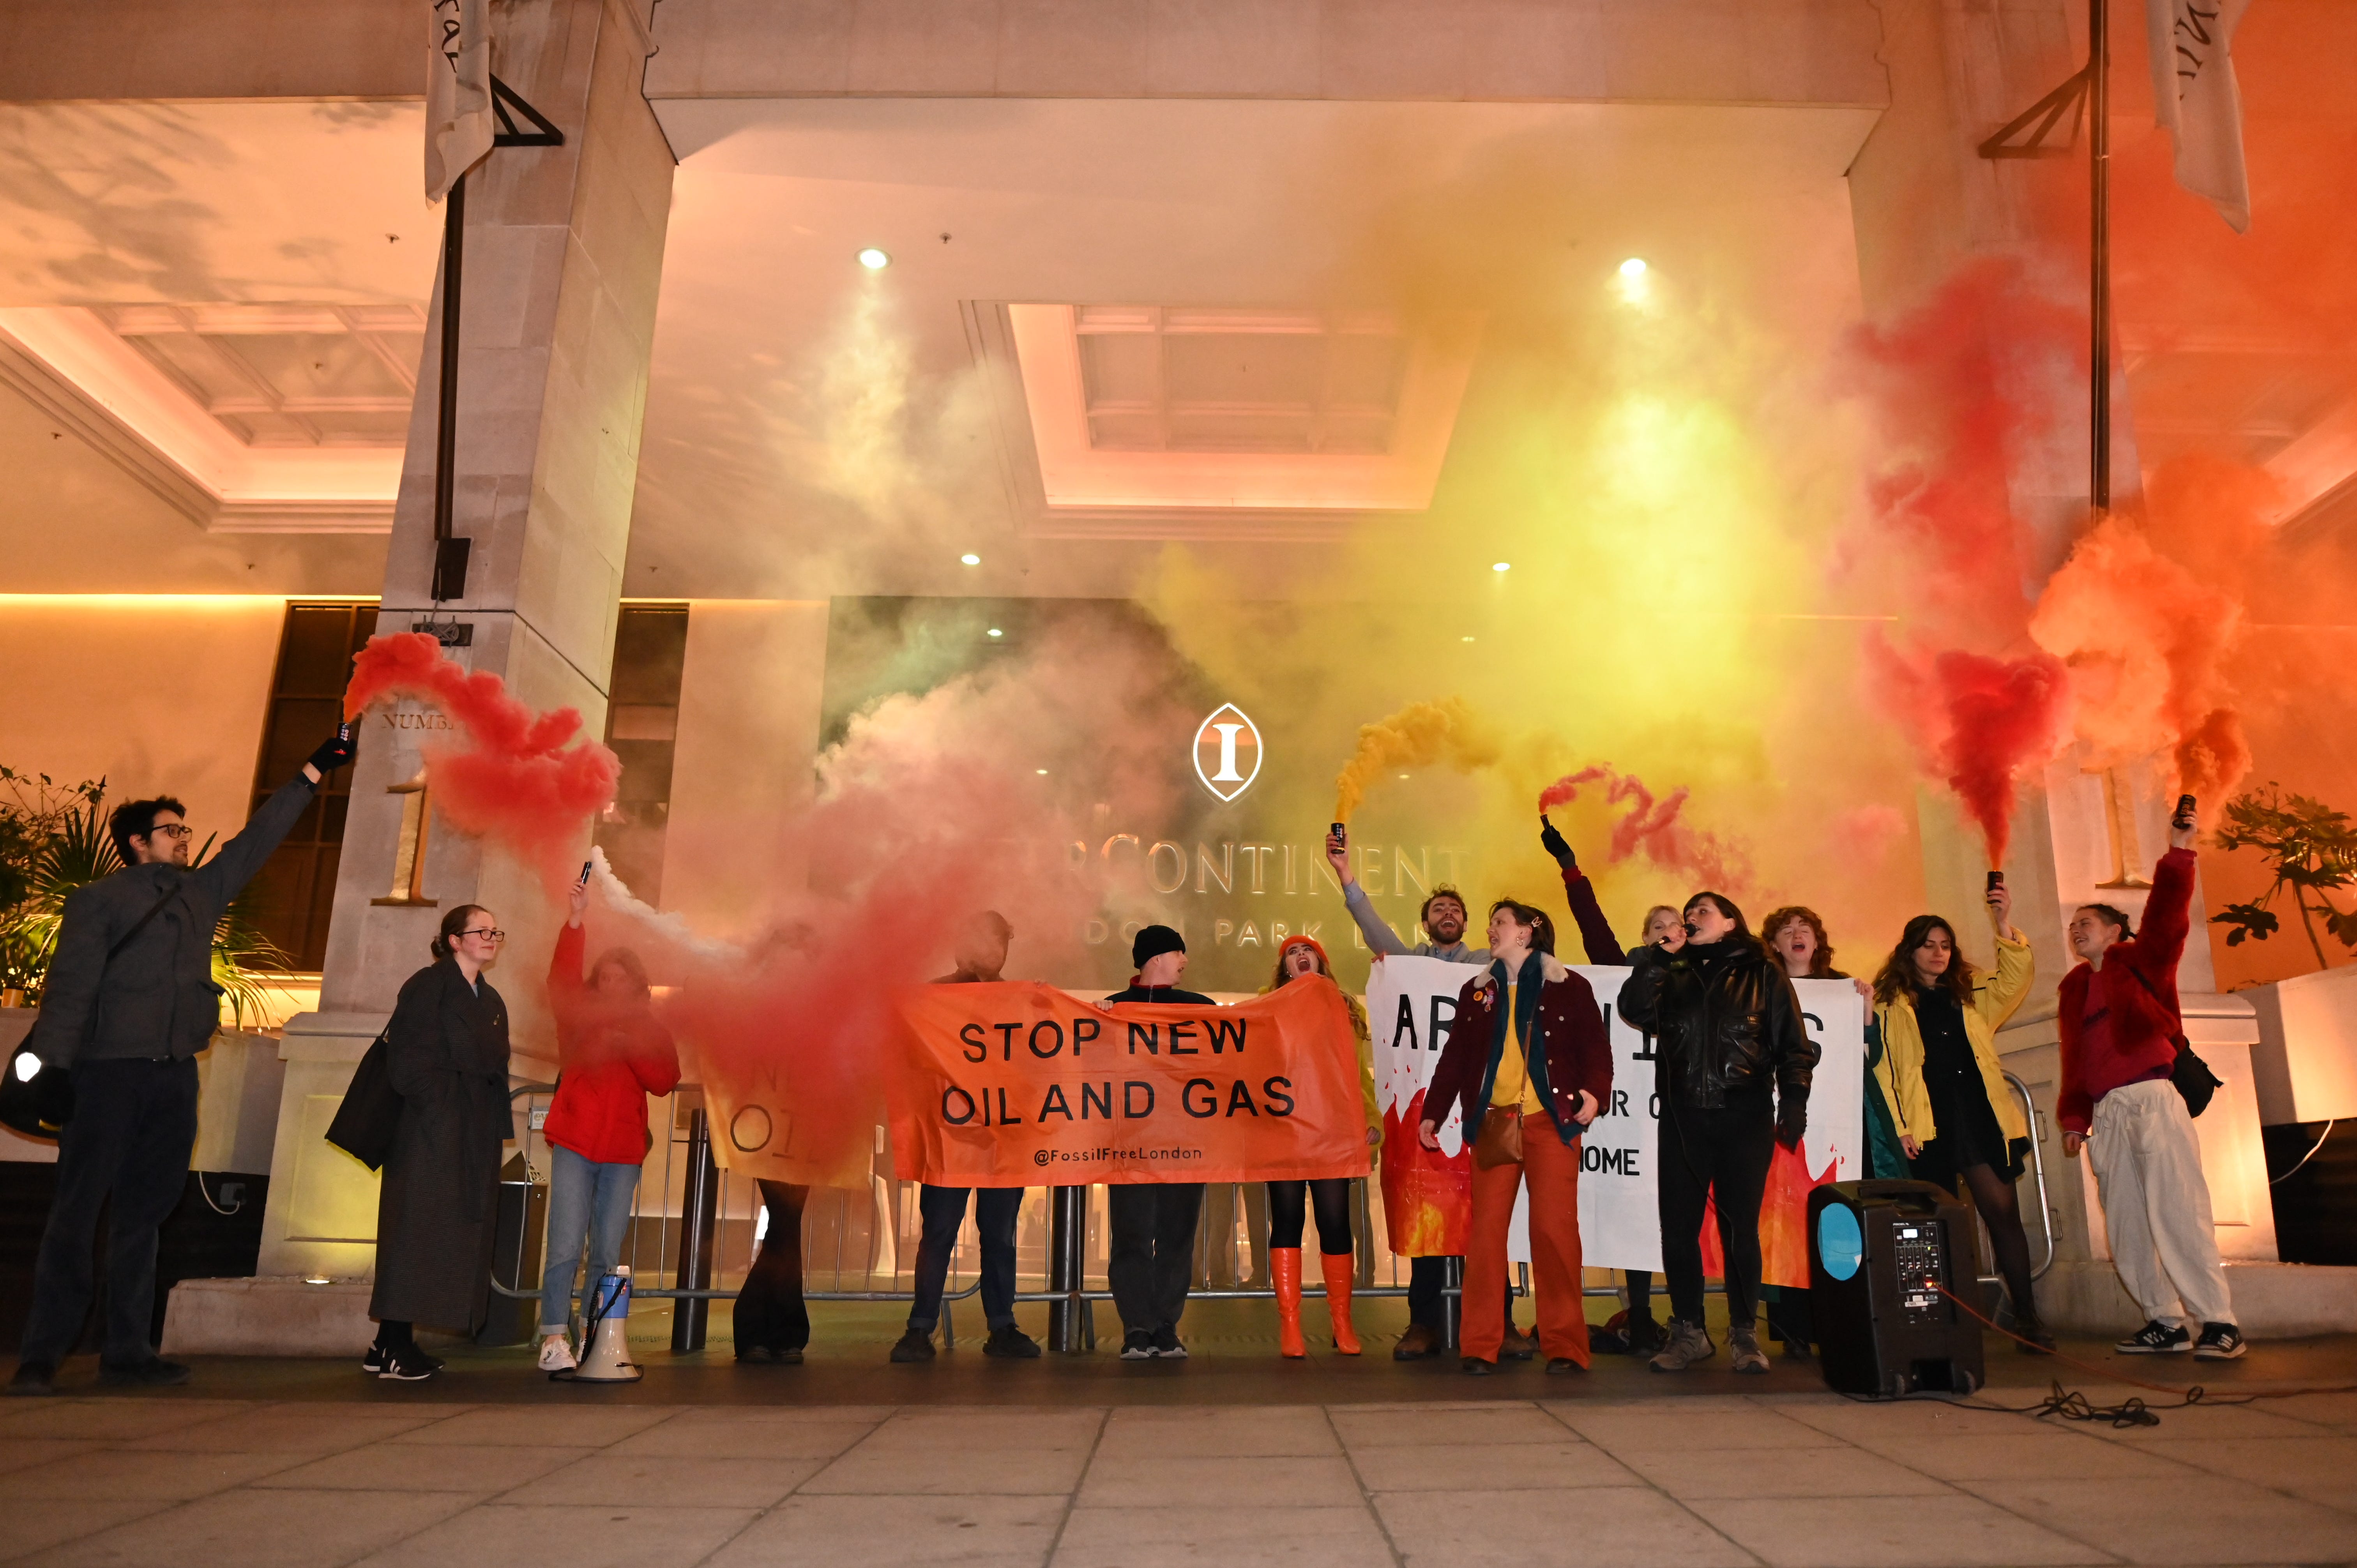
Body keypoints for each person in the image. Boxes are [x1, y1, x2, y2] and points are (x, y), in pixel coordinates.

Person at [7, 728, 355, 1398]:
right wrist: (51, 1066)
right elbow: (71, 990)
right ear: (139, 841)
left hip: (172, 1076)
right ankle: (41, 1356)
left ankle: (127, 1352)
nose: (185, 838)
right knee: (76, 1214)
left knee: (145, 1215)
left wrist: (313, 772)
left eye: (186, 830)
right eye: (173, 830)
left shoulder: (201, 892)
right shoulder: (99, 901)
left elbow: (255, 839)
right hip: (106, 1074)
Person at [1330, 832, 1537, 1362]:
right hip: (1426, 1109)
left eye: (1456, 910)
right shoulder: (1410, 963)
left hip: (1483, 1106)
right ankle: (1422, 1322)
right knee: (1426, 1214)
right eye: (1438, 909)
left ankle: (1499, 1322)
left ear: (1468, 925)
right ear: (1425, 925)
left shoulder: (1490, 964)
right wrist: (1347, 878)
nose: (1448, 914)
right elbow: (1376, 932)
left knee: (1489, 1218)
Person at [2060, 812, 2244, 1361]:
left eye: (2086, 921)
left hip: (2153, 1099)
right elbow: (2076, 1062)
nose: (2076, 929)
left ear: (2115, 932)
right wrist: (2076, 1120)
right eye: (2073, 925)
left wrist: (2179, 852)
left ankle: (2219, 1321)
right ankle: (2164, 1321)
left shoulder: (2140, 962)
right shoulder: (2074, 987)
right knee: (2127, 1223)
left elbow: (2167, 920)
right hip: (2108, 1114)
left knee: (2178, 1210)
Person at [1617, 891, 1816, 1375]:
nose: (1691, 917)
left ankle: (1744, 1333)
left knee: (1739, 1228)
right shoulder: (1672, 971)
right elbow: (1633, 1009)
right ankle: (1689, 1331)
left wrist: (1794, 1101)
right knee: (1678, 1229)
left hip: (1743, 1117)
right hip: (1683, 1118)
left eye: (1703, 910)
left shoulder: (1763, 973)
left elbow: (1794, 1045)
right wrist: (1656, 959)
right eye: (1688, 912)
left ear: (1730, 922)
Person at [1419, 901, 1612, 1376]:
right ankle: (1479, 1345)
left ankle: (1564, 1345)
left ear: (1527, 932)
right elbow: (1455, 1057)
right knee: (1486, 1235)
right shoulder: (1477, 992)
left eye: (1501, 922)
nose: (1491, 929)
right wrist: (1433, 1113)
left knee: (1554, 1232)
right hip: (1494, 1122)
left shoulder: (1569, 986)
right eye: (1491, 923)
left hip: (1551, 1123)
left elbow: (1596, 1046)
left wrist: (1595, 1093)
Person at [1868, 886, 2048, 1351]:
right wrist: (1900, 1127)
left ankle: (2027, 1318)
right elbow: (1885, 1073)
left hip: (1978, 1117)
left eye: (1946, 945)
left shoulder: (1971, 993)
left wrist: (2003, 923)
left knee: (2003, 1214)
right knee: (1935, 1226)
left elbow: (2016, 977)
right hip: (1927, 1126)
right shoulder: (1888, 1005)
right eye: (1929, 944)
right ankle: (1940, 1323)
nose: (1938, 953)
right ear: (1909, 951)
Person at [1541, 817, 1679, 1356]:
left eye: (1677, 924)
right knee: (1635, 1205)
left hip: (1686, 1112)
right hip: (1637, 1117)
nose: (1668, 930)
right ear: (1645, 940)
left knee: (1679, 1211)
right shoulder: (1627, 974)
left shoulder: (1713, 978)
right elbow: (1593, 925)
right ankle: (1640, 1314)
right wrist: (1570, 868)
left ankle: (1688, 1318)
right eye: (1657, 926)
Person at [535, 880, 680, 1373]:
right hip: (576, 1142)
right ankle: (554, 1337)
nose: (612, 985)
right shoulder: (578, 1019)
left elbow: (665, 1080)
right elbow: (561, 977)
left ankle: (596, 1337)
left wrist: (629, 1046)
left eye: (621, 978)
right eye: (605, 977)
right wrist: (576, 921)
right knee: (564, 1245)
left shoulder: (650, 1028)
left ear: (637, 986)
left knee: (605, 1250)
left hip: (622, 1152)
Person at [366, 903, 515, 1381]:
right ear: (454, 940)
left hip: (471, 1131)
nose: (491, 937)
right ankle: (394, 1345)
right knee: (416, 1232)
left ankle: (387, 1344)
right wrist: (446, 1107)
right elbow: (408, 1063)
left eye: (495, 931)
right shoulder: (428, 986)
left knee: (442, 1234)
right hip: (430, 1132)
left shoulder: (489, 998)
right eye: (481, 930)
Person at [892, 911, 1041, 1364]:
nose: (993, 952)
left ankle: (995, 1324)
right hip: (954, 1136)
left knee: (995, 1234)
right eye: (985, 942)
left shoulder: (1019, 1001)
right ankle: (924, 1326)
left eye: (999, 943)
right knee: (942, 1232)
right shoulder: (934, 997)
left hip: (995, 1136)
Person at [1755, 906, 1873, 1363]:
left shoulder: (1843, 988)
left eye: (1804, 928)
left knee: (1834, 1219)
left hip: (1834, 1124)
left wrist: (1865, 1014)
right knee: (1783, 1220)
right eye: (1786, 930)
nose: (1796, 934)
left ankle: (1838, 1319)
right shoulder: (1761, 990)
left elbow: (1871, 1057)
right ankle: (1793, 1328)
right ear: (1775, 945)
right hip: (1781, 1122)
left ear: (1818, 940)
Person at [1262, 935, 1381, 1358]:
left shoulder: (1345, 1008)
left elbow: (1358, 1074)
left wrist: (1371, 1119)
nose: (1300, 956)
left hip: (1333, 1129)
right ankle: (1290, 1325)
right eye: (1292, 953)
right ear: (1285, 969)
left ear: (1321, 961)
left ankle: (1342, 1323)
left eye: (1307, 950)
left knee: (1335, 1223)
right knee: (1287, 1222)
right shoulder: (1267, 1006)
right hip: (1286, 1129)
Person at [1103, 924, 1215, 1359]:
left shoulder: (1202, 1009)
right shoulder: (1113, 1009)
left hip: (1186, 1143)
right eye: (1178, 953)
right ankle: (1137, 1326)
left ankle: (1165, 1326)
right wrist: (1094, 1020)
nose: (1185, 961)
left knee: (1177, 1236)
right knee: (1131, 1234)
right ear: (1156, 958)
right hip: (1129, 1145)